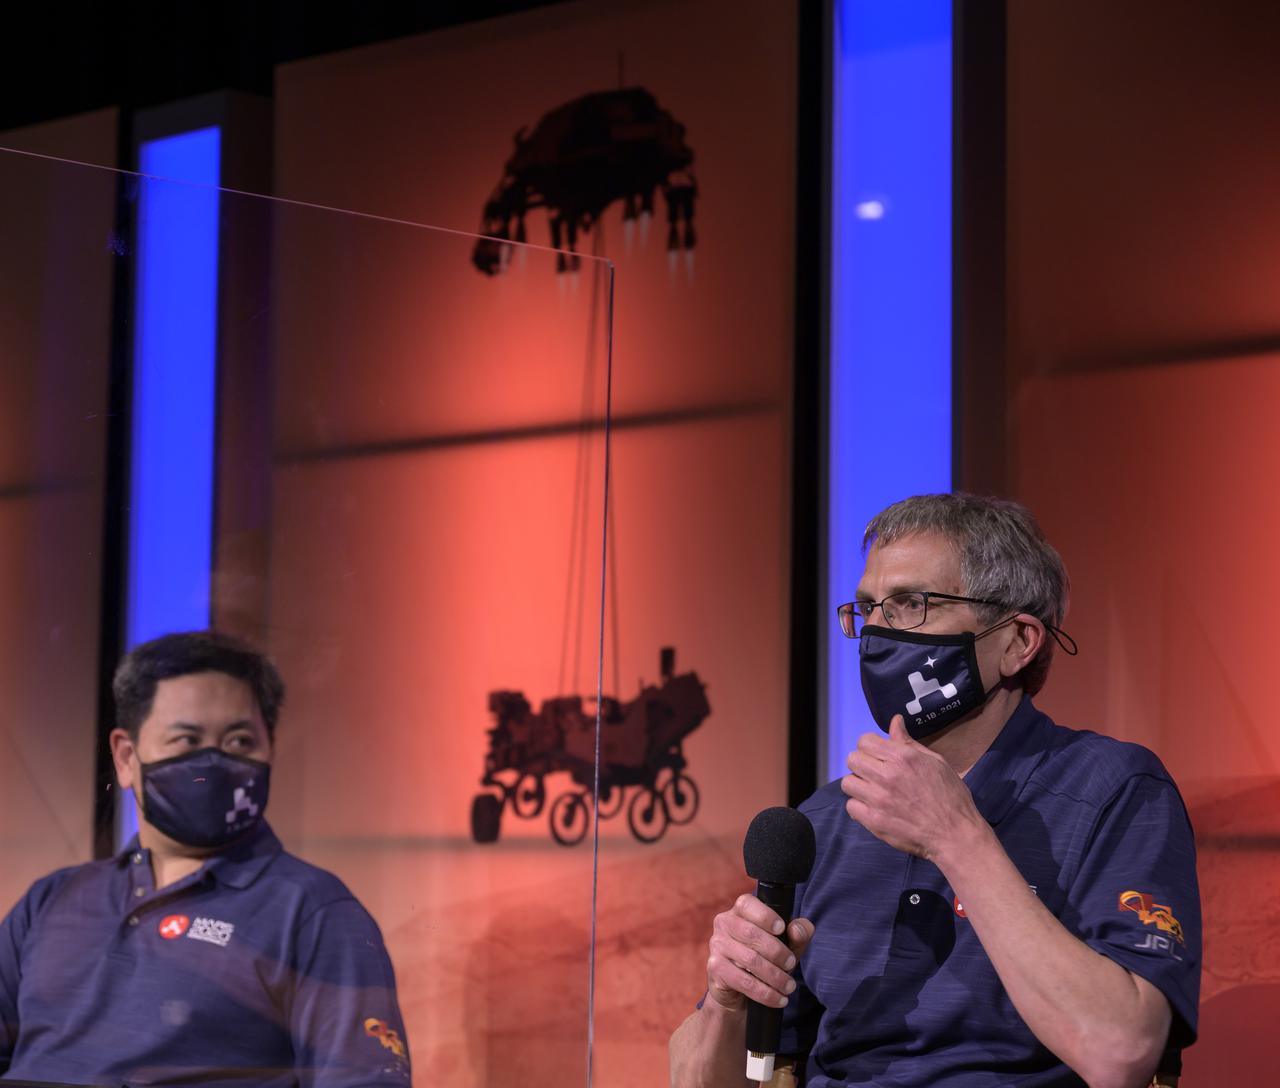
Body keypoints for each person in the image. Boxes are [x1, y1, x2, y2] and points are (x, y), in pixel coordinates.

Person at [670, 494, 1200, 1087]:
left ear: (1017, 642)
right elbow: (702, 1081)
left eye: (911, 604)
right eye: (867, 608)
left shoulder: (1114, 790)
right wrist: (727, 1002)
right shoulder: (829, 818)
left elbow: (1122, 1051)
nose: (876, 632)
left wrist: (955, 836)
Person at [0, 630, 410, 1087]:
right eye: (187, 740)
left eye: (239, 741)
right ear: (127, 758)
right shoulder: (50, 900)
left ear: (271, 750)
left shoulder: (313, 911)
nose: (213, 763)